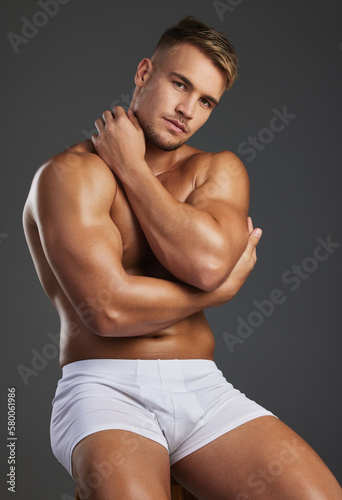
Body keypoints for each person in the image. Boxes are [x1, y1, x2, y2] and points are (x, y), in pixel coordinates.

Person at [23, 15, 341, 500]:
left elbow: (208, 265)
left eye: (206, 100)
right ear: (144, 72)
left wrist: (132, 168)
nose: (187, 109)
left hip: (201, 388)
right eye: (180, 84)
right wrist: (219, 294)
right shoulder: (69, 174)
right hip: (105, 392)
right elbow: (106, 310)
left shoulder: (217, 169)